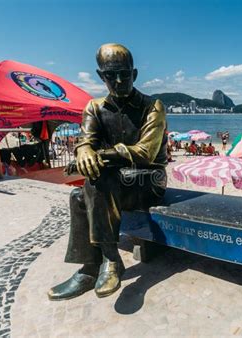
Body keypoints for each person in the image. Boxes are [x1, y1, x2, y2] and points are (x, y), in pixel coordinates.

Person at [48, 43, 167, 301]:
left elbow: (146, 153)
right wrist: (83, 151)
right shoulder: (94, 108)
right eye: (111, 75)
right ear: (101, 76)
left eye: (124, 73)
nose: (119, 80)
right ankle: (91, 267)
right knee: (78, 197)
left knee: (99, 179)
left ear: (134, 74)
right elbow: (86, 140)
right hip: (113, 183)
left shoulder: (153, 106)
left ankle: (110, 260)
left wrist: (98, 155)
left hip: (149, 180)